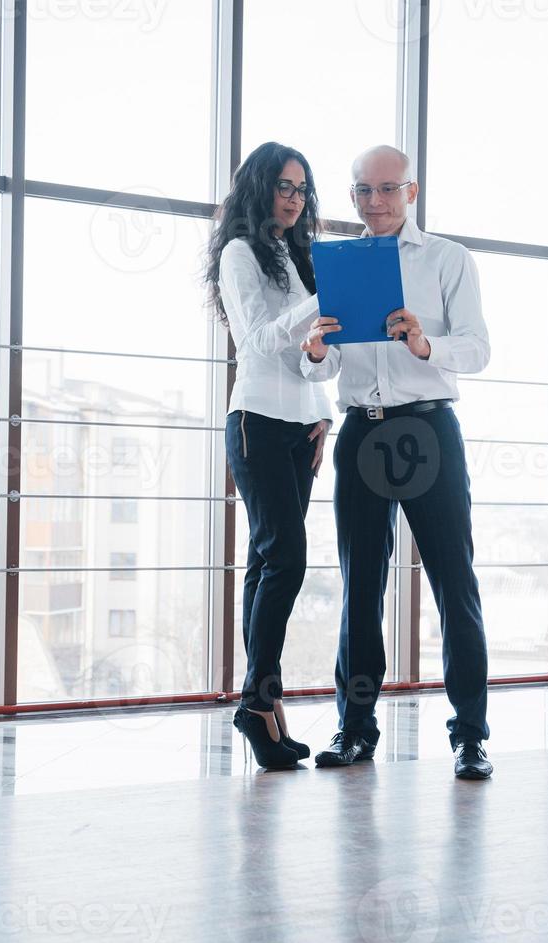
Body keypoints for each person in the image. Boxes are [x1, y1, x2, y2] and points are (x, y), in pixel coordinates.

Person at [300, 145, 494, 779]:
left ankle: (470, 736)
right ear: (352, 196)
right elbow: (321, 367)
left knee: (453, 584)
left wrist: (424, 341)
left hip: (428, 430)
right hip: (362, 432)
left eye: (388, 189)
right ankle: (355, 730)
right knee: (359, 590)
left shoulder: (446, 259)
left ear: (411, 192)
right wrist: (316, 350)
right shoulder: (332, 263)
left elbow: (478, 350)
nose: (375, 201)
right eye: (363, 190)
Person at [204, 142, 333, 769]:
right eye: (284, 185)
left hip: (302, 426)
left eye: (302, 188)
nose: (295, 197)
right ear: (259, 187)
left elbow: (316, 353)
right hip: (255, 419)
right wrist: (323, 300)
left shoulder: (298, 254)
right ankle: (258, 703)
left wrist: (324, 410)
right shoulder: (238, 253)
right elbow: (256, 339)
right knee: (285, 557)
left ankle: (265, 706)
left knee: (265, 563)